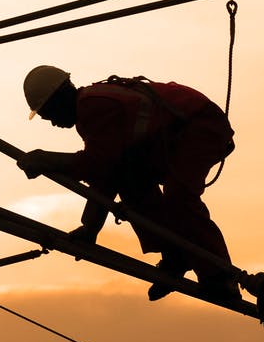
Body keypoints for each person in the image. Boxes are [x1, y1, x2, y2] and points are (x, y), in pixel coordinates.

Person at [16, 65, 239, 303]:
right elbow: (109, 173)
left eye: (49, 115)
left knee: (179, 197)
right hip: (172, 139)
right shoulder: (91, 109)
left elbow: (96, 165)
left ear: (58, 100)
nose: (53, 124)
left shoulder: (93, 106)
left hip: (199, 126)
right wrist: (90, 228)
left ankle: (219, 277)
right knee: (131, 180)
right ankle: (175, 255)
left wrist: (46, 160)